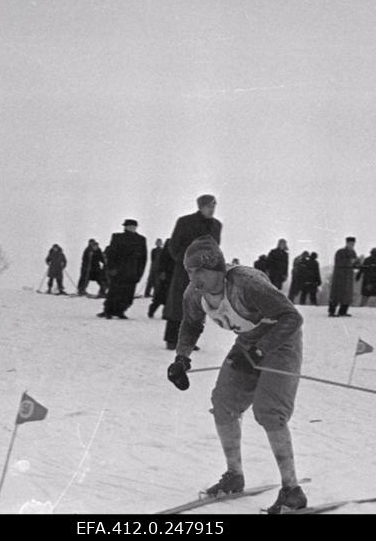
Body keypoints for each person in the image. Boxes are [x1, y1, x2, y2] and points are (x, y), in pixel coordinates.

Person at [166, 235, 308, 513]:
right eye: (190, 272)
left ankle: (292, 490)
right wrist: (181, 358)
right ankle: (234, 475)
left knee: (269, 412)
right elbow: (191, 324)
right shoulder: (194, 293)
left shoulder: (246, 284)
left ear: (217, 269)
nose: (195, 278)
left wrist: (261, 350)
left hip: (280, 341)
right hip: (248, 342)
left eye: (200, 272)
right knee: (223, 404)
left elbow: (292, 317)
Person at [162, 194, 222, 349]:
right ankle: (172, 339)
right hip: (185, 271)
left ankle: (188, 340)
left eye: (213, 206)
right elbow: (173, 246)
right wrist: (185, 262)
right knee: (178, 303)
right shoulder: (185, 222)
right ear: (200, 207)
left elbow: (215, 248)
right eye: (209, 206)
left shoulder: (216, 226)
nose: (212, 209)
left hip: (204, 274)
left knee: (196, 306)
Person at [98, 219, 147, 319]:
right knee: (114, 292)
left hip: (132, 272)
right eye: (129, 226)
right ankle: (108, 311)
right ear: (125, 227)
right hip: (118, 270)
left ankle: (120, 311)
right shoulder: (117, 237)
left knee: (128, 294)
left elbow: (143, 258)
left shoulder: (141, 239)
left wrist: (139, 273)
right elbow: (111, 254)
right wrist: (111, 268)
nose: (131, 228)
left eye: (133, 226)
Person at [328, 237, 358, 317]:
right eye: (351, 244)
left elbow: (355, 264)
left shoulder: (353, 253)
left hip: (348, 277)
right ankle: (332, 311)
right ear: (347, 243)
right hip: (339, 276)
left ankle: (343, 311)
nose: (352, 245)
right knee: (336, 294)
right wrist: (349, 262)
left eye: (353, 244)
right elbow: (338, 262)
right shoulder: (340, 252)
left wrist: (358, 264)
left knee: (347, 295)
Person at [149, 239, 174, 318]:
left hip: (174, 275)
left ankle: (166, 313)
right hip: (166, 275)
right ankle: (152, 310)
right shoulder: (169, 244)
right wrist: (162, 272)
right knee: (161, 295)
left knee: (170, 297)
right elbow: (162, 261)